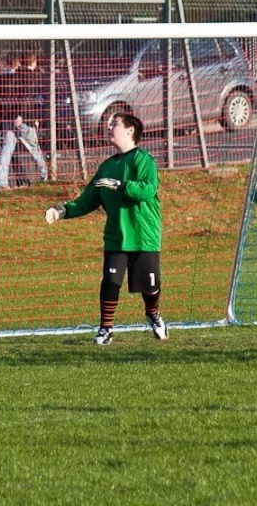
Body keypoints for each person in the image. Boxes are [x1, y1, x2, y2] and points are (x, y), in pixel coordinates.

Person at [44, 113, 168, 345]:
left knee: (150, 288)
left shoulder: (143, 160)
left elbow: (147, 190)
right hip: (116, 238)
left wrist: (121, 185)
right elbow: (88, 200)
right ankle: (105, 329)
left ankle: (153, 314)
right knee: (110, 282)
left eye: (115, 124)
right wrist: (62, 211)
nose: (109, 127)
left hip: (143, 236)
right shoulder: (107, 166)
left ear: (130, 130)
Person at [0, 52, 48, 189]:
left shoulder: (0, 77)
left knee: (7, 149)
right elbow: (24, 98)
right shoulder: (27, 76)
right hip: (23, 118)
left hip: (8, 118)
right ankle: (45, 175)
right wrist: (22, 115)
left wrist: (2, 116)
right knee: (34, 148)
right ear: (33, 61)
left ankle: (1, 181)